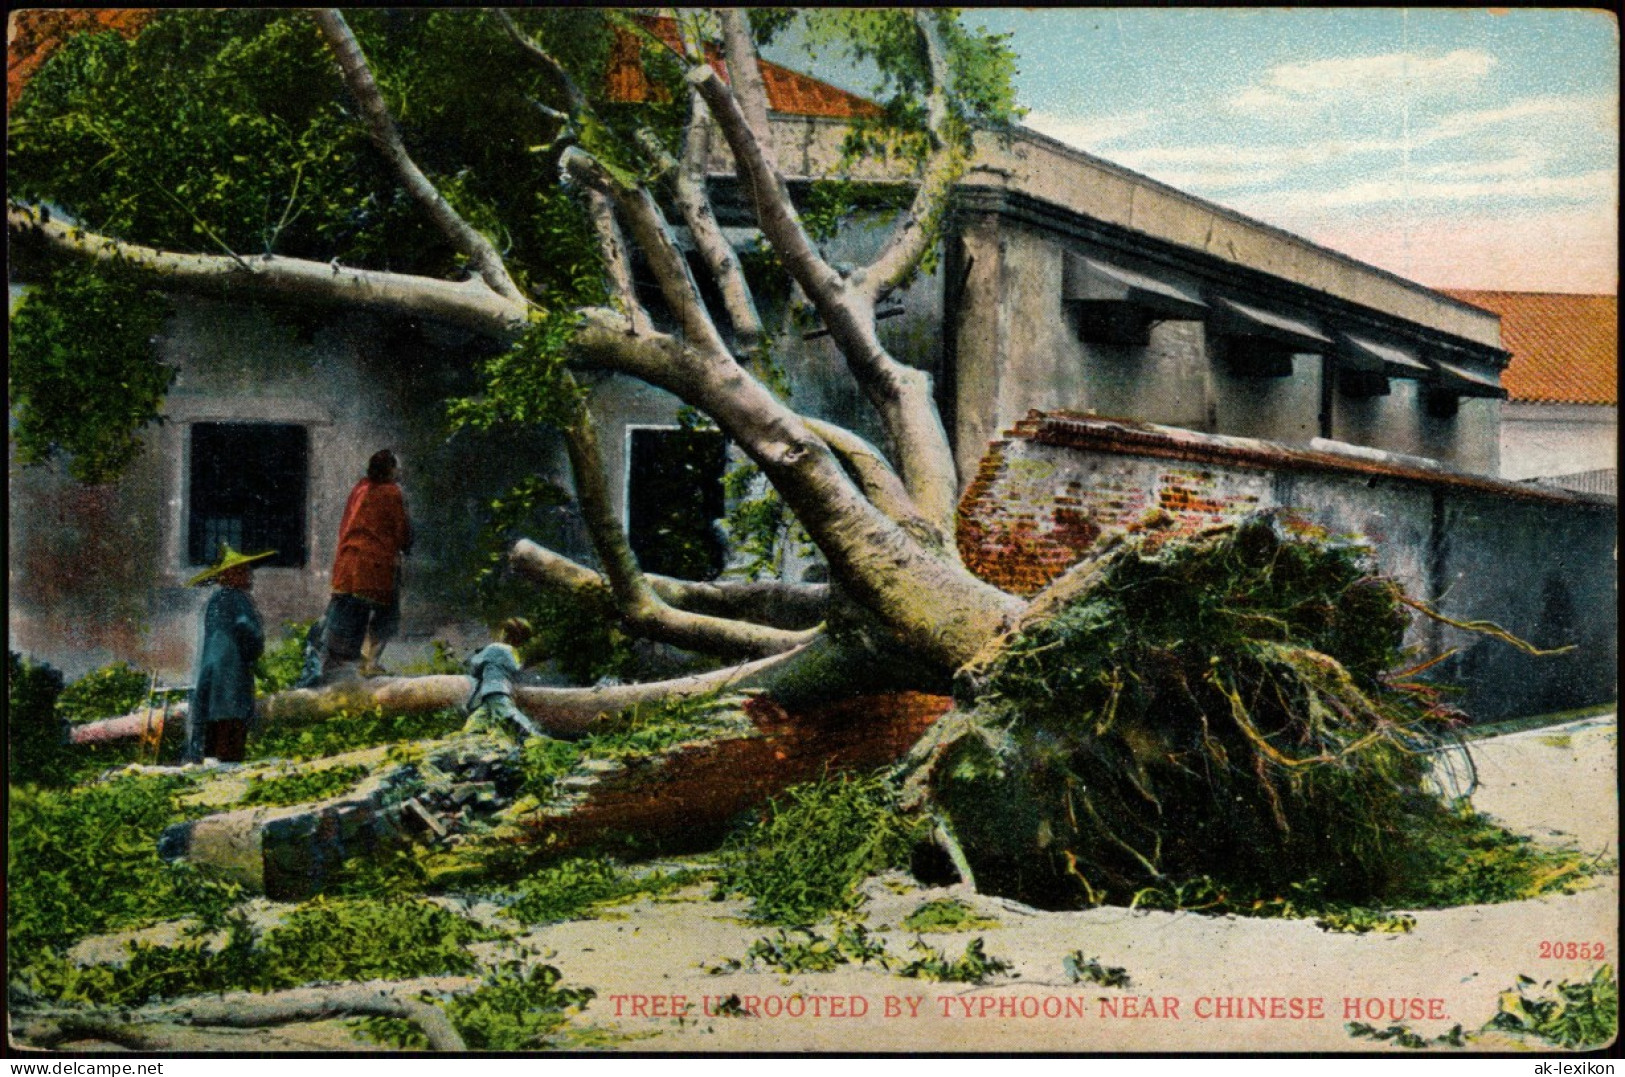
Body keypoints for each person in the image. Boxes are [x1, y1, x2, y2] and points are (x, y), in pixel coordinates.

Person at [302, 449, 413, 684]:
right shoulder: (392, 493)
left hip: (348, 565)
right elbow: (401, 530)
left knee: (343, 616)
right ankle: (370, 663)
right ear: (390, 469)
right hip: (376, 566)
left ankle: (330, 667)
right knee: (387, 614)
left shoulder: (359, 489)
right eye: (396, 468)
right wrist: (406, 545)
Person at [184, 543, 272, 764]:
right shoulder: (238, 599)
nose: (250, 576)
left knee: (212, 742)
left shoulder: (216, 601)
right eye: (244, 571)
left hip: (211, 675)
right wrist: (255, 655)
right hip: (231, 678)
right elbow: (247, 631)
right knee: (231, 740)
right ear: (230, 576)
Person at [464, 618, 542, 739]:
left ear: (505, 634)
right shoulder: (514, 654)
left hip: (493, 690)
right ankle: (469, 736)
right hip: (499, 690)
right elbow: (516, 670)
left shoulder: (495, 647)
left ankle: (535, 736)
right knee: (480, 718)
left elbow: (475, 665)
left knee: (508, 714)